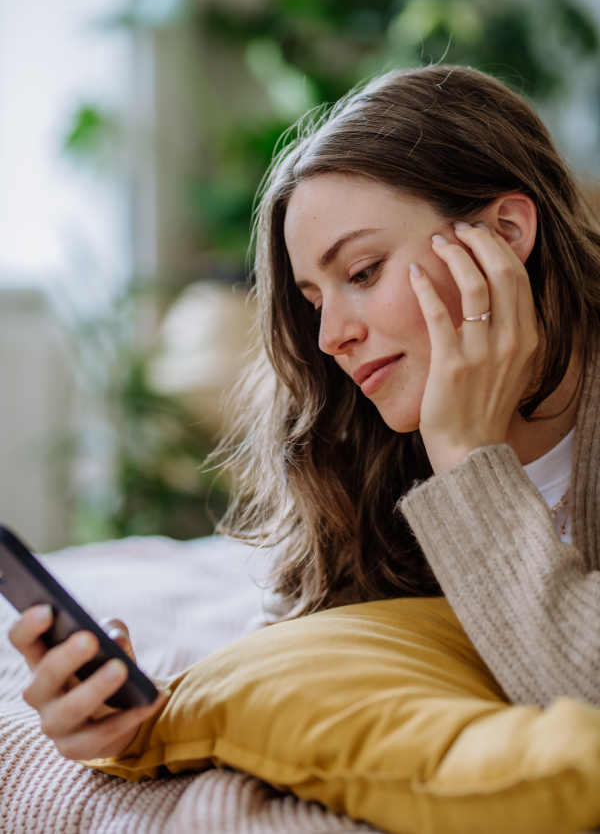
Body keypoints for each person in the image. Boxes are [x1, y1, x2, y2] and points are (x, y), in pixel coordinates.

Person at [8, 65, 600, 764]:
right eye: (314, 299)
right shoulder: (359, 448)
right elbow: (303, 652)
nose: (330, 338)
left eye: (362, 272)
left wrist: (469, 455)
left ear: (503, 233)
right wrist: (142, 721)